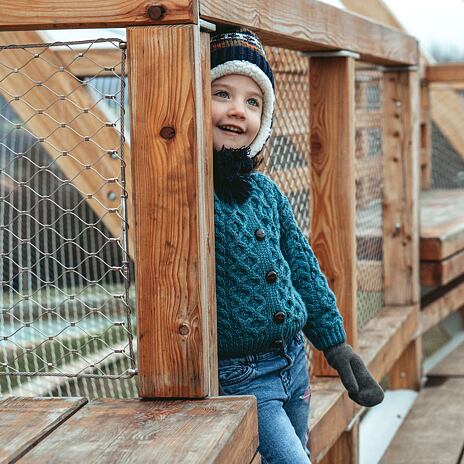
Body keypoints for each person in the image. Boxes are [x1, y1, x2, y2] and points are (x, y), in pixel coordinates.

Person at [211, 27, 384, 464]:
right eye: (221, 93)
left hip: (294, 362)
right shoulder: (191, 193)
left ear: (263, 121)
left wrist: (336, 344)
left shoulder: (267, 191)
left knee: (300, 451)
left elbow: (303, 270)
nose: (237, 110)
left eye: (253, 102)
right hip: (243, 375)